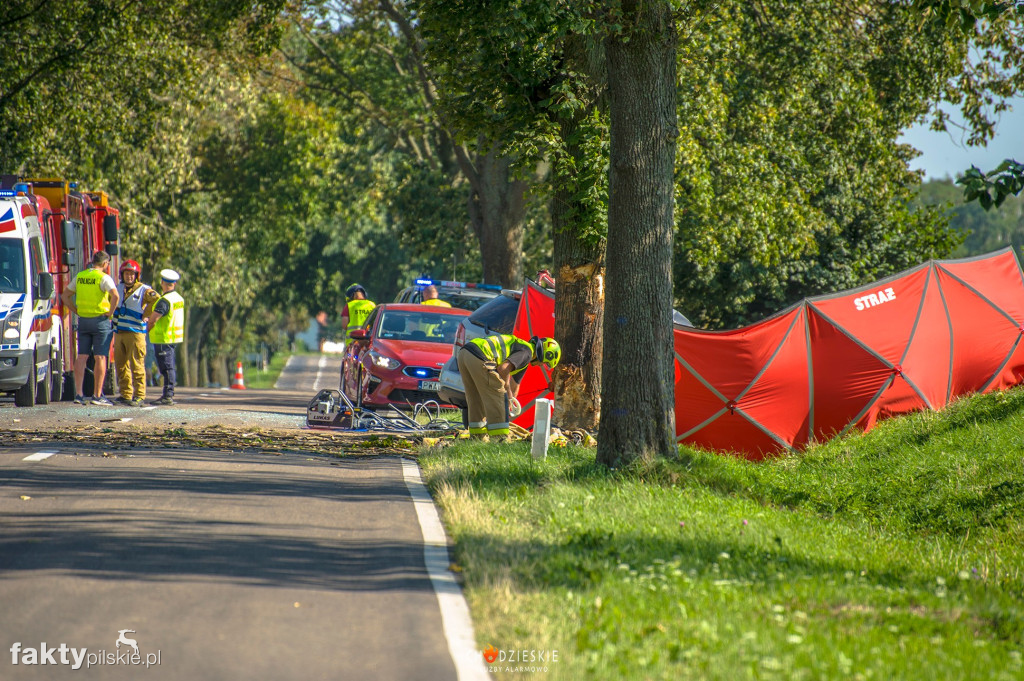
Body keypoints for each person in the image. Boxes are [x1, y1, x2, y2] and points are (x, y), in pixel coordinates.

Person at [457, 334, 560, 440]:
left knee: (476, 398)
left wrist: (510, 404)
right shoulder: (527, 352)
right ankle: (499, 439)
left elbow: (515, 385)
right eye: (545, 363)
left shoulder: (524, 353)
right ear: (546, 354)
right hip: (480, 356)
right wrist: (507, 393)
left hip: (465, 353)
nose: (540, 365)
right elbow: (503, 369)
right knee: (500, 396)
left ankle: (477, 437)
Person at [60, 251, 120, 405]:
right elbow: (115, 295)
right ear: (105, 264)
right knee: (100, 357)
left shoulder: (80, 276)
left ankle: (79, 394)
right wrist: (110, 312)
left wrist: (76, 310)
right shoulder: (104, 278)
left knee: (82, 357)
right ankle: (97, 395)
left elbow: (65, 295)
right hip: (100, 321)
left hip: (83, 321)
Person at [112, 260, 159, 406]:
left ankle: (139, 395)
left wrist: (147, 314)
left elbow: (157, 299)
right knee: (121, 365)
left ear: (136, 275)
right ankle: (125, 394)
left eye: (132, 274)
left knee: (137, 365)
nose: (129, 277)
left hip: (136, 332)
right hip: (119, 332)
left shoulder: (144, 289)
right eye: (126, 274)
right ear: (122, 275)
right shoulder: (118, 288)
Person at [147, 269, 185, 406]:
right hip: (173, 338)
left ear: (162, 283)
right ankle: (167, 394)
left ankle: (168, 395)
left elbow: (153, 320)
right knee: (169, 366)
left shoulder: (164, 301)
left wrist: (147, 328)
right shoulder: (178, 298)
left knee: (166, 367)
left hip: (163, 338)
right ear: (174, 284)